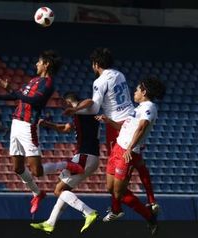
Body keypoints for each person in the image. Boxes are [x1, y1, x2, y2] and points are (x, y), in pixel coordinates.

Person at [0, 50, 82, 214]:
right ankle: (37, 193)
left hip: (28, 126)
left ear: (46, 64)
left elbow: (34, 100)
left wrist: (12, 89)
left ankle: (66, 164)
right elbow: (17, 97)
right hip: (16, 123)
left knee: (36, 172)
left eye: (39, 62)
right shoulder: (33, 80)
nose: (36, 64)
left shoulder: (48, 84)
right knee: (18, 168)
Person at [64, 47, 159, 219]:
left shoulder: (99, 82)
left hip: (116, 126)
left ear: (96, 64)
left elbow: (94, 107)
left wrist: (75, 110)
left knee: (117, 182)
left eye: (92, 64)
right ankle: (151, 201)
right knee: (138, 162)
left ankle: (122, 210)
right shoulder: (119, 74)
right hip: (131, 117)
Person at [96, 77, 165, 236]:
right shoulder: (138, 108)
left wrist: (130, 148)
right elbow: (124, 127)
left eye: (137, 89)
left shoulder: (149, 107)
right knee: (110, 188)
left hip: (128, 153)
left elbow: (142, 128)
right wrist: (108, 121)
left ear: (144, 92)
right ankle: (138, 212)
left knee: (118, 192)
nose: (135, 92)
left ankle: (144, 216)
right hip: (117, 149)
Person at [30, 92, 99, 234]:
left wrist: (74, 108)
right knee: (62, 190)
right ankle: (50, 223)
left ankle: (88, 212)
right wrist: (47, 124)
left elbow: (90, 101)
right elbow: (66, 129)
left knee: (58, 190)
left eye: (64, 103)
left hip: (85, 155)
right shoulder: (80, 114)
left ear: (68, 101)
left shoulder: (83, 109)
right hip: (90, 157)